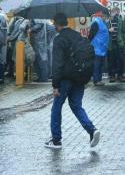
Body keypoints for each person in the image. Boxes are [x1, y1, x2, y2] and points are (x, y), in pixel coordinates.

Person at [45, 13, 100, 149]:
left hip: (65, 79)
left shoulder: (59, 39)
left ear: (57, 25)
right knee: (76, 106)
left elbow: (57, 64)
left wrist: (55, 85)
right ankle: (92, 130)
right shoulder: (77, 35)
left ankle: (56, 140)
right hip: (80, 77)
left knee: (56, 107)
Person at [88, 12, 109, 86]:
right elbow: (91, 35)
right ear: (103, 16)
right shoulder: (96, 23)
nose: (107, 19)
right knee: (97, 65)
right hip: (97, 48)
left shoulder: (102, 23)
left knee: (100, 65)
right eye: (106, 17)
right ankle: (96, 80)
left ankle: (99, 79)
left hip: (102, 48)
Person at [107, 7, 125, 83]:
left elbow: (123, 32)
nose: (114, 13)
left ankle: (120, 75)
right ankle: (112, 76)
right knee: (111, 60)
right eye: (112, 12)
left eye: (115, 12)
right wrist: (108, 30)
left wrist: (123, 41)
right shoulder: (107, 21)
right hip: (111, 44)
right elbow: (104, 31)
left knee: (121, 60)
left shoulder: (120, 20)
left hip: (119, 43)